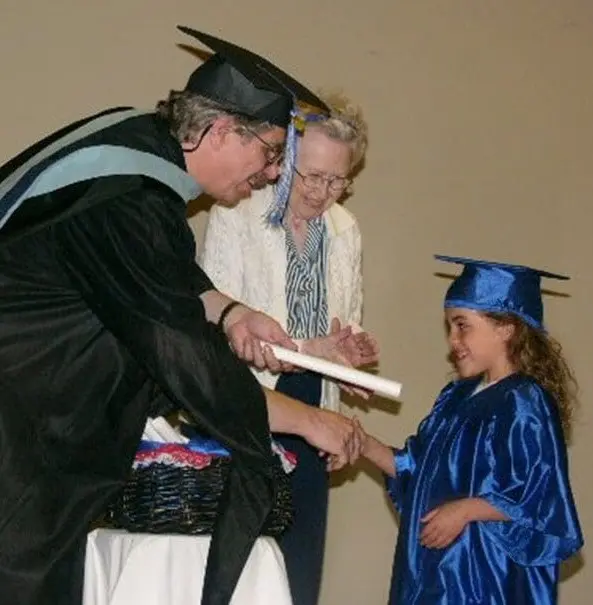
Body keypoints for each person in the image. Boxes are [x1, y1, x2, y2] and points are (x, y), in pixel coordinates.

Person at [0, 26, 364, 605]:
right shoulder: (127, 199)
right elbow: (179, 354)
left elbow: (159, 280)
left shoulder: (129, 154)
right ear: (220, 130)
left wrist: (231, 312)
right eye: (270, 152)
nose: (273, 173)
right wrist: (307, 419)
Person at [201, 91, 378, 605]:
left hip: (313, 408)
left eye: (338, 179)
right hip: (250, 403)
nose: (325, 192)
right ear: (286, 161)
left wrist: (349, 358)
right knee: (239, 569)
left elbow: (341, 328)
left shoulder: (346, 231)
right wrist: (311, 346)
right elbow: (215, 330)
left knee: (298, 572)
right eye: (313, 175)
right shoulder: (236, 211)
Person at [358, 254, 583, 604]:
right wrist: (364, 445)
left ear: (506, 327)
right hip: (434, 573)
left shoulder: (524, 401)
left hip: (483, 578)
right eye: (450, 326)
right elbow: (417, 471)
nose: (452, 340)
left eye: (463, 325)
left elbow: (539, 498)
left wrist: (466, 510)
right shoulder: (456, 396)